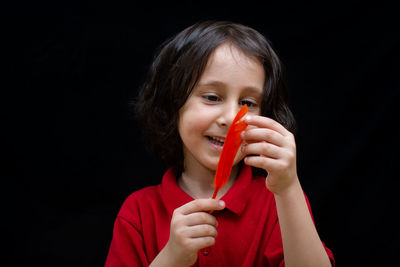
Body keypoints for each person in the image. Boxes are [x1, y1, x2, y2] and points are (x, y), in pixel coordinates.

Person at [105, 20, 335, 266]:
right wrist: (172, 257)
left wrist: (289, 187)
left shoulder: (279, 200)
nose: (230, 118)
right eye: (212, 97)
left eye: (248, 103)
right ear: (173, 104)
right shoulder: (138, 212)